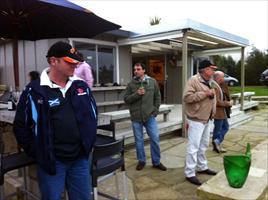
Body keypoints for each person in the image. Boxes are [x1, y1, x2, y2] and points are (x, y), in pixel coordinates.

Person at [13, 41, 98, 199]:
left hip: (80, 158)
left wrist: (88, 142)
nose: (75, 65)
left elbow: (93, 116)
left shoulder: (81, 86)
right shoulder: (34, 90)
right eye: (69, 62)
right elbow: (20, 126)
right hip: (52, 162)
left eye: (76, 62)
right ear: (53, 61)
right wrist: (38, 151)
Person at [124, 62, 167, 171]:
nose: (136, 71)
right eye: (135, 69)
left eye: (138, 69)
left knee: (155, 138)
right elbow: (126, 99)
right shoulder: (131, 84)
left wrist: (155, 110)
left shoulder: (152, 82)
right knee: (139, 140)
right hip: (136, 117)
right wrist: (137, 94)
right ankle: (141, 161)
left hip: (150, 116)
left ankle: (156, 162)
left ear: (144, 70)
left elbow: (158, 97)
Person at [183, 59, 218, 186]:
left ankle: (202, 167)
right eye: (212, 69)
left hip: (207, 119)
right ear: (205, 70)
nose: (213, 71)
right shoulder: (193, 80)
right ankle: (190, 173)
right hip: (196, 120)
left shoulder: (210, 81)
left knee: (203, 145)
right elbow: (187, 98)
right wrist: (205, 93)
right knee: (193, 148)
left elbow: (210, 97)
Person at [212, 71, 233, 153]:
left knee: (224, 127)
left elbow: (226, 94)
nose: (223, 79)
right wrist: (228, 103)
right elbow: (217, 102)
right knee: (219, 129)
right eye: (222, 77)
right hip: (218, 113)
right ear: (218, 78)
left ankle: (216, 143)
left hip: (223, 112)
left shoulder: (220, 85)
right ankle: (217, 143)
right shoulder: (214, 86)